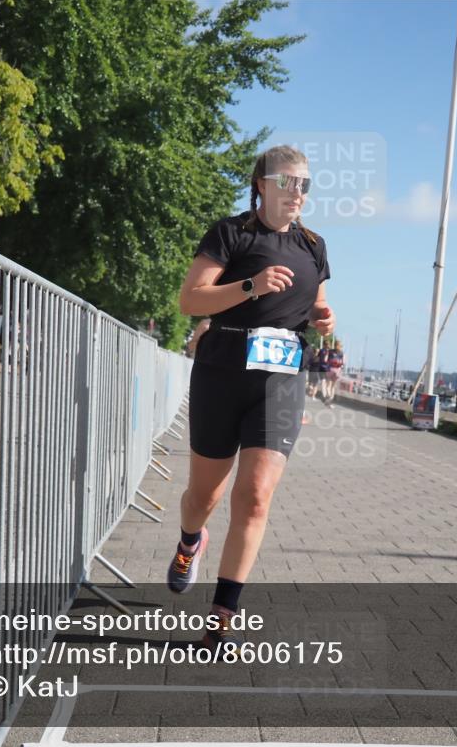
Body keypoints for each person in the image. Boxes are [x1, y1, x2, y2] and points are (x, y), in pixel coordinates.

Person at [170, 144, 335, 653]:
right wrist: (250, 285)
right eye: (288, 183)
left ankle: (221, 617)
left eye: (304, 185)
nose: (297, 194)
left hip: (281, 379)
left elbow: (320, 308)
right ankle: (189, 541)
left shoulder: (314, 246)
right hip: (221, 371)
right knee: (205, 497)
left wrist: (325, 321)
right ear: (262, 184)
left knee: (256, 496)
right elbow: (190, 300)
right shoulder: (231, 233)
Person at [322, 338, 344, 406]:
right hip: (337, 371)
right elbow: (343, 362)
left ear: (334, 345)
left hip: (330, 369)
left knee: (328, 385)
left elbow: (325, 360)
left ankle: (328, 397)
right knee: (333, 386)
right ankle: (331, 399)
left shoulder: (330, 351)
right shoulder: (341, 353)